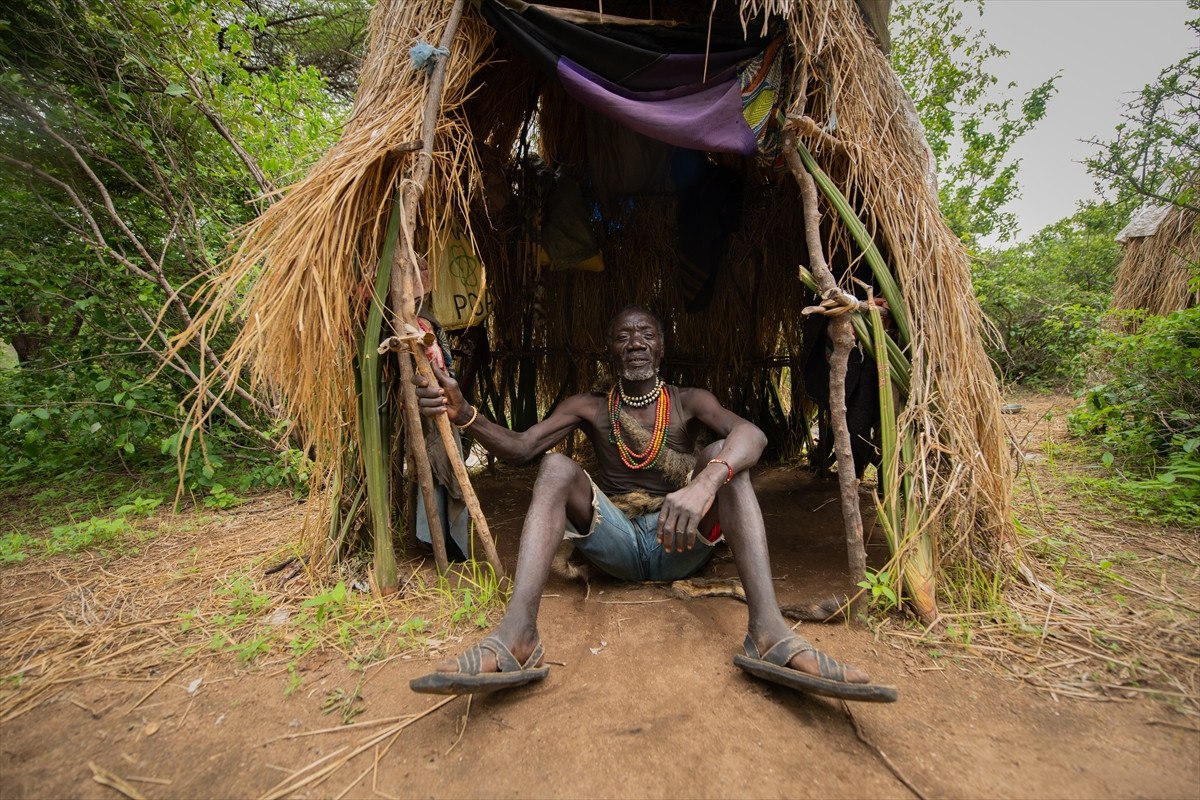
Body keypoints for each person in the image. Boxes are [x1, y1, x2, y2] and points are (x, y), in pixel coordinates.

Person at [409, 304, 896, 702]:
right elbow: (521, 448)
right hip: (616, 542)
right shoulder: (588, 407)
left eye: (646, 334)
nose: (636, 342)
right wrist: (466, 414)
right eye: (624, 336)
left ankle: (769, 635)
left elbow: (752, 434)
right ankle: (518, 635)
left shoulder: (689, 401)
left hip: (678, 541)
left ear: (662, 347)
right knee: (555, 467)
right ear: (610, 350)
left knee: (724, 456)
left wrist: (705, 483)